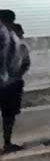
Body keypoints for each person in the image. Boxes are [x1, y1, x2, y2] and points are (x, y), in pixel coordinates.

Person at [1, 12, 30, 153]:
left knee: (9, 115)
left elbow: (24, 62)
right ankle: (7, 143)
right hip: (11, 84)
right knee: (8, 115)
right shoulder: (16, 40)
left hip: (10, 83)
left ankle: (7, 143)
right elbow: (25, 63)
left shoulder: (14, 40)